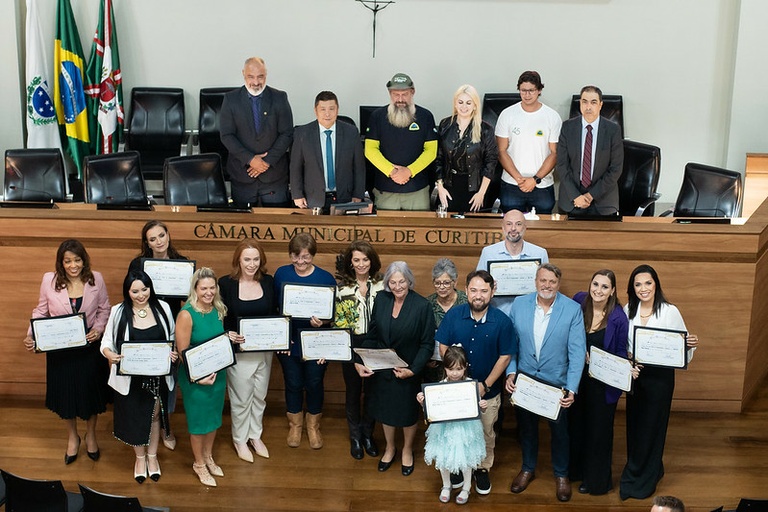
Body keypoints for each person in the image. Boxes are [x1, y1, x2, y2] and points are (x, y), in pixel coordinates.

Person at [23, 239, 111, 465]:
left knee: (91, 397)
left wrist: (98, 329)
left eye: (78, 260)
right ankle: (73, 437)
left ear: (84, 260)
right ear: (61, 263)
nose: (73, 266)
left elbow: (104, 309)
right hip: (60, 350)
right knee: (66, 397)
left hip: (88, 350)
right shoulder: (49, 280)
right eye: (68, 261)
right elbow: (41, 311)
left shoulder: (96, 279)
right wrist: (32, 335)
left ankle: (91, 434)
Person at [504, 263, 586, 502]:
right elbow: (512, 344)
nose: (547, 285)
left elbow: (577, 352)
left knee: (560, 433)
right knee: (527, 430)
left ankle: (561, 475)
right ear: (535, 281)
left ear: (558, 284)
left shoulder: (572, 310)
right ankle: (528, 468)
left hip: (556, 385)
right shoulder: (519, 305)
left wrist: (571, 388)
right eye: (543, 280)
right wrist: (511, 372)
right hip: (525, 382)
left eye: (552, 281)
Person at [620, 264, 699, 500]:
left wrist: (688, 344)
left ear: (656, 285)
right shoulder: (627, 310)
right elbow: (622, 345)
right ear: (632, 288)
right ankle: (635, 467)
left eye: (648, 283)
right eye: (638, 284)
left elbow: (681, 347)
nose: (643, 288)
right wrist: (628, 359)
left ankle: (649, 475)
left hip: (660, 379)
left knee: (653, 426)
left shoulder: (669, 311)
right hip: (636, 376)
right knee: (635, 425)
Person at [436, 270, 514, 496]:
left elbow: (505, 357)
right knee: (457, 432)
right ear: (466, 290)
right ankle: (460, 467)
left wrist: (485, 385)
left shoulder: (502, 321)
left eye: (483, 290)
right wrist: (453, 373)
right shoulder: (454, 316)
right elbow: (442, 345)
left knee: (485, 432)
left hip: (487, 394)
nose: (478, 295)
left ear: (493, 291)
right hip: (455, 393)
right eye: (473, 290)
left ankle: (482, 468)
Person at [356, 261, 435, 476]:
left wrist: (413, 369)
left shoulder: (422, 306)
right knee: (386, 412)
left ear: (409, 280)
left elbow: (427, 344)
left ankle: (407, 450)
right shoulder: (382, 299)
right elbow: (373, 334)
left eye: (402, 281)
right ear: (387, 283)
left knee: (407, 415)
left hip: (408, 371)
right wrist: (361, 359)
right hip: (382, 370)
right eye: (393, 282)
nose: (398, 286)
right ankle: (390, 448)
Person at [101, 270, 177, 483]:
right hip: (130, 379)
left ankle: (152, 457)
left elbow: (172, 337)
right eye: (135, 291)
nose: (141, 294)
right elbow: (106, 343)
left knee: (154, 417)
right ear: (128, 291)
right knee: (135, 417)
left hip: (156, 376)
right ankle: (140, 458)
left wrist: (174, 353)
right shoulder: (118, 311)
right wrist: (110, 354)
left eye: (145, 289)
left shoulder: (163, 308)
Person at [128, 219, 188, 451]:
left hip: (171, 329)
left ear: (168, 235)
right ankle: (146, 423)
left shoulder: (181, 263)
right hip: (145, 329)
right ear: (147, 242)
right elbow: (131, 294)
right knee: (145, 382)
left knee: (168, 382)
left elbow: (189, 300)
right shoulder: (138, 264)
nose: (158, 241)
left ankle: (166, 425)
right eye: (152, 239)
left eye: (161, 235)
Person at [569, 269, 630, 495]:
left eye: (605, 286)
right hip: (577, 379)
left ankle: (595, 481)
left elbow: (622, 351)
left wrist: (625, 369)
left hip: (602, 385)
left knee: (598, 432)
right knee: (576, 426)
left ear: (612, 290)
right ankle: (575, 472)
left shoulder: (618, 316)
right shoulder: (578, 301)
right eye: (595, 284)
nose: (598, 290)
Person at [274, 233, 337, 449]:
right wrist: (281, 341)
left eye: (306, 257)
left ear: (313, 256)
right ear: (290, 255)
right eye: (296, 257)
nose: (300, 262)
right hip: (289, 342)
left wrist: (324, 322)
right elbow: (275, 310)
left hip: (316, 343)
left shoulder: (326, 278)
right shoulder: (281, 274)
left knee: (314, 383)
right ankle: (295, 425)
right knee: (292, 382)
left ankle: (313, 426)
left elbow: (332, 316)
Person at [219, 240, 275, 462]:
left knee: (259, 396)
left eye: (255, 259)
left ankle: (255, 435)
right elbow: (217, 316)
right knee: (241, 398)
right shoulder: (226, 284)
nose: (251, 264)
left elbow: (276, 313)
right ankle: (240, 439)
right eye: (247, 259)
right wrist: (226, 334)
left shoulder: (268, 282)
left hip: (265, 352)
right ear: (238, 261)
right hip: (239, 354)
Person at [176, 267, 228, 487]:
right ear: (195, 289)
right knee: (199, 423)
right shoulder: (186, 314)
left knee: (214, 418)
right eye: (204, 288)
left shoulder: (218, 309)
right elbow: (182, 353)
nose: (209, 292)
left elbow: (216, 341)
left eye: (212, 287)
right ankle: (198, 463)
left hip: (217, 374)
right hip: (195, 378)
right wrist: (197, 378)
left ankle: (208, 456)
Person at [417, 346, 487, 505]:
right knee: (443, 456)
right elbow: (432, 410)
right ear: (445, 368)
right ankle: (446, 485)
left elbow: (476, 408)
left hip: (465, 429)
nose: (454, 373)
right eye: (450, 369)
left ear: (465, 368)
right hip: (445, 429)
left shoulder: (470, 386)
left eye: (459, 369)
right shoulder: (439, 386)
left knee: (467, 458)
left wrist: (482, 406)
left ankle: (467, 487)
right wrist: (423, 402)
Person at [220, 56, 294, 207]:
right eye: (251, 77)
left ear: (266, 74)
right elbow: (227, 135)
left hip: (274, 176)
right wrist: (251, 159)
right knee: (243, 226)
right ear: (243, 74)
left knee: (277, 225)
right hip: (243, 174)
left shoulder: (279, 98)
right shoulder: (230, 99)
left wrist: (266, 162)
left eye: (260, 77)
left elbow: (287, 133)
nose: (255, 82)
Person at [334, 240, 384, 460]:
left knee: (372, 394)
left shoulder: (383, 286)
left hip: (377, 344)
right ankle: (354, 436)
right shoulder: (342, 289)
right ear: (350, 263)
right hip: (351, 344)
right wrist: (353, 356)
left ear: (372, 261)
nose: (362, 264)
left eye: (365, 259)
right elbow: (341, 326)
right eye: (357, 260)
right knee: (353, 393)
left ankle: (367, 435)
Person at [364, 72, 437, 210]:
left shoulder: (425, 116)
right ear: (390, 94)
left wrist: (409, 171)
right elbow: (370, 150)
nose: (400, 99)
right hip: (386, 191)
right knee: (386, 231)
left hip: (418, 191)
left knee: (419, 230)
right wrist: (392, 172)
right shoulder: (377, 117)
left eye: (405, 94)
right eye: (396, 94)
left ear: (413, 92)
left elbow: (431, 151)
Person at [495, 71, 562, 214]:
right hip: (512, 184)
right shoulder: (507, 114)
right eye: (523, 90)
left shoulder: (552, 117)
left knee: (542, 230)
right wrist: (519, 179)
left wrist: (535, 179)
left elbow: (554, 153)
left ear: (539, 90)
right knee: (511, 229)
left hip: (542, 185)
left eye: (531, 90)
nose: (527, 95)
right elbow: (501, 151)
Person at [290, 91, 366, 211]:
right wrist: (297, 194)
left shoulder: (351, 132)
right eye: (322, 109)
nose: (327, 114)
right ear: (316, 111)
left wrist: (358, 194)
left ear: (337, 110)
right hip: (313, 198)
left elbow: (359, 166)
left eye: (331, 109)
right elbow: (295, 167)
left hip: (345, 197)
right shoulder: (302, 133)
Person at [556, 85, 623, 217]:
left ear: (600, 105)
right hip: (572, 199)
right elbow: (562, 165)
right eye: (584, 102)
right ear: (580, 103)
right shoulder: (567, 127)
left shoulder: (613, 130)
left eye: (593, 102)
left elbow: (616, 169)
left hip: (603, 200)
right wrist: (576, 196)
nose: (588, 107)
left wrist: (591, 195)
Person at [434, 84, 497, 215]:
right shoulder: (445, 125)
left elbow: (490, 162)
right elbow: (438, 158)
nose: (464, 107)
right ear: (455, 104)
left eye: (469, 103)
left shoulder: (485, 129)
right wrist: (440, 187)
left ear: (475, 105)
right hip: (449, 186)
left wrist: (481, 193)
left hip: (475, 187)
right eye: (460, 102)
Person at [476, 209, 549, 317]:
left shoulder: (540, 253)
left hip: (531, 315)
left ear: (525, 228)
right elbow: (478, 287)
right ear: (503, 228)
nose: (513, 228)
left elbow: (547, 288)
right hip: (497, 314)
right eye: (509, 224)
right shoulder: (488, 253)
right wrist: (489, 287)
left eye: (518, 224)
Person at [426, 258, 468, 328]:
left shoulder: (466, 302)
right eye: (437, 283)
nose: (441, 287)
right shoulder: (428, 304)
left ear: (455, 282)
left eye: (446, 283)